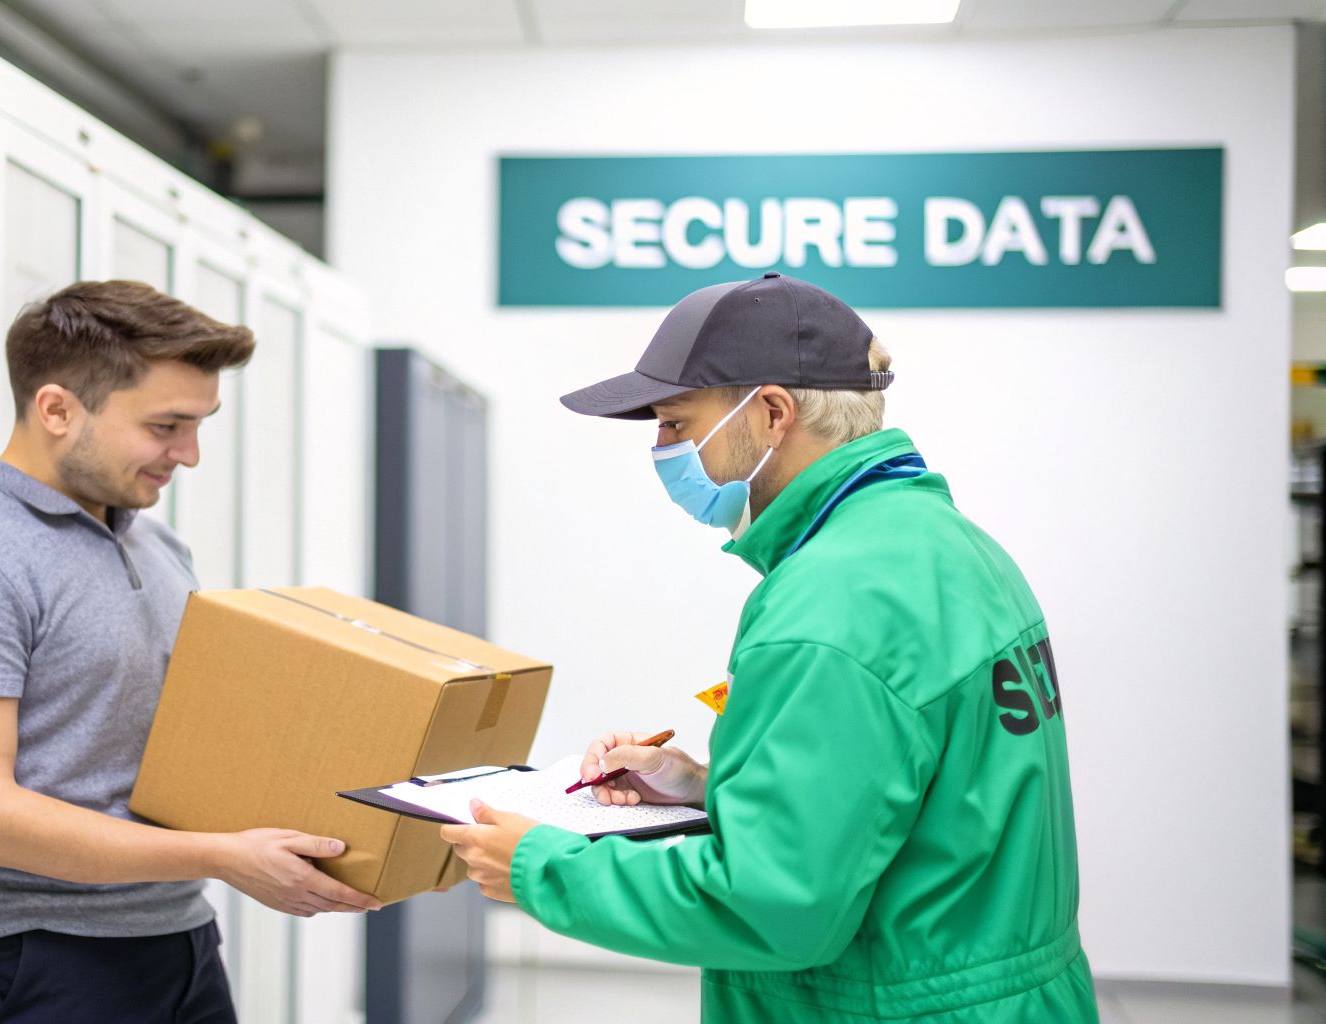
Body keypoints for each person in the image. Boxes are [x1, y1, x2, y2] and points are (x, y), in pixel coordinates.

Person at [440, 273, 1098, 1022]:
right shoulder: (947, 547)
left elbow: (773, 905)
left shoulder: (828, 604)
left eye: (676, 423)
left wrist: (537, 867)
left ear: (774, 412)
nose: (662, 449)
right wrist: (703, 787)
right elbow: (918, 791)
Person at [0, 280, 381, 1024]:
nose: (190, 455)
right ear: (57, 410)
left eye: (200, 425)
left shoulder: (156, 543)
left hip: (178, 939)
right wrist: (222, 854)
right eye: (167, 425)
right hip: (31, 957)